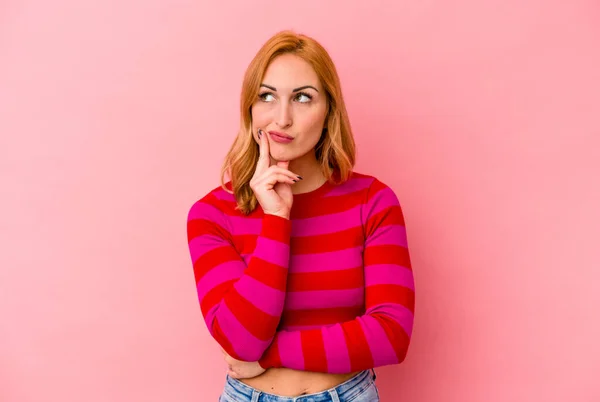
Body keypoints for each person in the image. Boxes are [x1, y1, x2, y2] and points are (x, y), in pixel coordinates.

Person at [186, 30, 415, 402]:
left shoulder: (374, 202)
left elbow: (391, 334)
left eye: (303, 98)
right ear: (250, 108)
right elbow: (240, 338)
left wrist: (269, 355)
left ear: (329, 113)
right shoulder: (212, 214)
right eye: (267, 96)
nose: (282, 118)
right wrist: (276, 217)